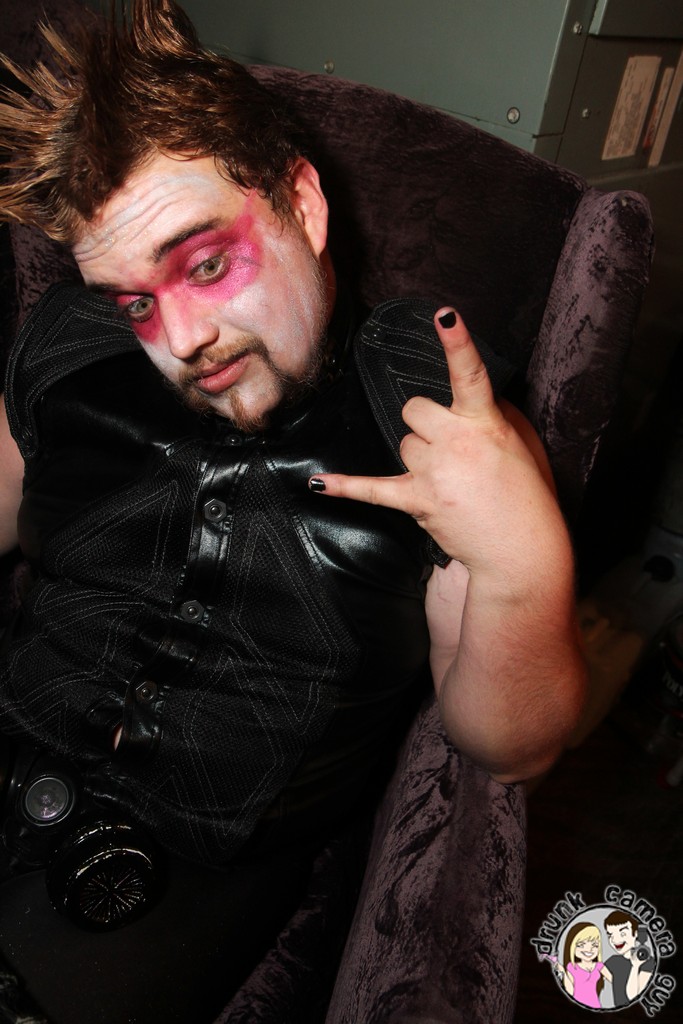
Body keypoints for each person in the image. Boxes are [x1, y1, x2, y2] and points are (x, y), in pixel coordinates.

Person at [0, 1, 586, 1021]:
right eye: (134, 299)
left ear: (302, 205)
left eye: (204, 263)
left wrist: (522, 564)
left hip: (196, 861)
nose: (179, 339)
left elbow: (511, 748)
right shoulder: (71, 344)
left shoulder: (435, 412)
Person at [604, 911, 656, 1006]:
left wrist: (635, 966)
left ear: (635, 934)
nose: (615, 940)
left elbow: (633, 997)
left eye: (623, 934)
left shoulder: (648, 962)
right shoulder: (613, 961)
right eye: (610, 935)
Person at [558, 921, 613, 1009]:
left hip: (595, 1006)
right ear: (572, 946)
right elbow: (570, 991)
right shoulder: (572, 967)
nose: (589, 949)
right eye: (581, 945)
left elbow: (614, 981)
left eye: (594, 945)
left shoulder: (599, 966)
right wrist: (563, 972)